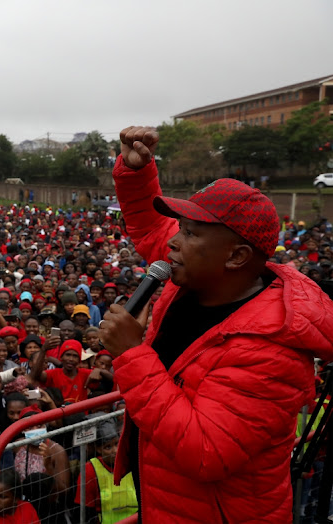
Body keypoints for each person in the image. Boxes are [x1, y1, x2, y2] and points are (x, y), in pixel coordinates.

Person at [96, 125, 333, 523]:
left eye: (189, 233)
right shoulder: (199, 275)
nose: (173, 241)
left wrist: (132, 354)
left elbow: (207, 452)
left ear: (237, 256)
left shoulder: (272, 348)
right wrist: (137, 173)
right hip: (168, 500)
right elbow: (153, 226)